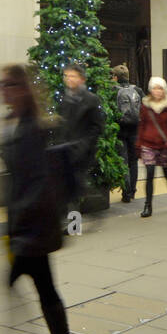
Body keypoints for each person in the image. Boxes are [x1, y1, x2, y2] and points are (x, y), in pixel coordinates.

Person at [0, 65, 76, 334]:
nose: (1, 90)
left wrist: (20, 221)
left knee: (41, 288)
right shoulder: (12, 122)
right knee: (41, 288)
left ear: (19, 88)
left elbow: (35, 182)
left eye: (6, 84)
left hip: (34, 225)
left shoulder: (31, 127)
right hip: (22, 224)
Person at [57, 64, 105, 221]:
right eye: (66, 76)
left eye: (72, 76)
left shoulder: (91, 99)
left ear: (82, 79)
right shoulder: (66, 98)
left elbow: (98, 127)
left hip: (82, 151)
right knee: (70, 187)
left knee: (75, 187)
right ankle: (73, 218)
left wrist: (84, 144)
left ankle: (74, 224)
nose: (69, 79)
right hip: (66, 149)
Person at [137, 76, 167, 218]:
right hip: (148, 144)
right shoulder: (145, 106)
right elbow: (142, 125)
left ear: (164, 90)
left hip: (165, 145)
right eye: (155, 88)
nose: (157, 91)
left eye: (160, 88)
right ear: (150, 89)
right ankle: (147, 205)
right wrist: (139, 143)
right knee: (149, 174)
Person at [112, 64, 141, 204]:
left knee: (123, 162)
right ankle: (133, 190)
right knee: (133, 161)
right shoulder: (137, 90)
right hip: (135, 130)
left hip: (120, 131)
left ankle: (126, 193)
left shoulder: (113, 91)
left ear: (115, 77)